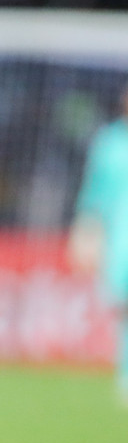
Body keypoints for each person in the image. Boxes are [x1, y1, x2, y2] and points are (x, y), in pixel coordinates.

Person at [69, 84, 128, 403]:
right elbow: (95, 193)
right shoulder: (110, 143)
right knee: (123, 306)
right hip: (121, 237)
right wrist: (86, 232)